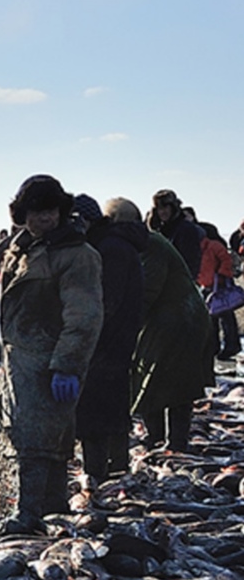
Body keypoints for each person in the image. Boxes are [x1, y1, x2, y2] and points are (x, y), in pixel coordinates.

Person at [0, 176, 103, 532]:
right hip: (21, 358)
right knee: (39, 435)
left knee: (37, 439)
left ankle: (28, 515)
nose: (44, 219)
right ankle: (53, 509)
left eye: (51, 211)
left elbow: (84, 316)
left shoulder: (77, 255)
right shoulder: (21, 248)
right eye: (35, 212)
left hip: (50, 359)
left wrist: (68, 364)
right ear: (21, 214)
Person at [106, 196, 215, 452]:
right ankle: (157, 438)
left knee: (174, 381)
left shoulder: (149, 244)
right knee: (151, 375)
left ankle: (174, 443)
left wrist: (123, 323)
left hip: (179, 319)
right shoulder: (142, 242)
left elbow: (146, 290)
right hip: (168, 319)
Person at [75, 196, 145, 482]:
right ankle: (117, 467)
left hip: (107, 341)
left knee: (94, 410)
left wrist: (87, 335)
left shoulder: (109, 248)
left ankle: (99, 473)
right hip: (121, 337)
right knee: (114, 405)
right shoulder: (118, 244)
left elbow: (108, 301)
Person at [198, 221, 242, 362]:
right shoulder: (202, 247)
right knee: (215, 318)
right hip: (209, 285)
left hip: (218, 286)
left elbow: (225, 260)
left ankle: (229, 345)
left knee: (223, 317)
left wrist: (222, 274)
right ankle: (218, 345)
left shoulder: (211, 246)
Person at [147, 189, 203, 277]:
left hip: (180, 280)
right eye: (159, 208)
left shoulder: (186, 229)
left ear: (173, 208)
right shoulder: (159, 231)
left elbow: (191, 260)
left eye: (165, 207)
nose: (162, 212)